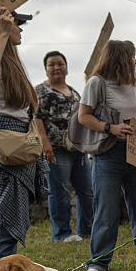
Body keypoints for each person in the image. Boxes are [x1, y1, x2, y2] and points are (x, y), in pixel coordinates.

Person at [0, 0, 53, 268]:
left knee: (7, 224)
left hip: (15, 138)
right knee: (3, 224)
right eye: (17, 22)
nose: (21, 29)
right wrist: (3, 34)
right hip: (0, 140)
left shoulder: (8, 53)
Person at [78, 40, 136, 271]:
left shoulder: (132, 84)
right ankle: (99, 262)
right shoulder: (97, 83)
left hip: (135, 152)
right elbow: (84, 117)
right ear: (121, 58)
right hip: (108, 154)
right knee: (106, 208)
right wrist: (110, 128)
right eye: (133, 56)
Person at [36, 50, 92, 243]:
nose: (56, 67)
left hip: (77, 148)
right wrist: (45, 143)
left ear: (66, 67)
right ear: (45, 69)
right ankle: (62, 233)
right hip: (55, 148)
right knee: (59, 191)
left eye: (60, 63)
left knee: (86, 190)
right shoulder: (40, 91)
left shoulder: (74, 92)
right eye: (51, 64)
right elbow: (36, 118)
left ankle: (86, 229)